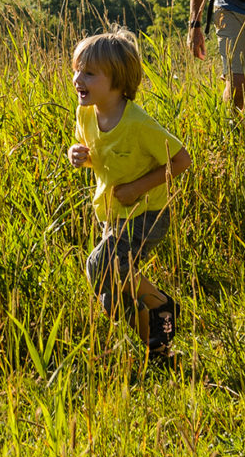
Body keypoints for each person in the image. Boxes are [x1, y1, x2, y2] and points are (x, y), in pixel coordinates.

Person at [66, 26, 192, 364]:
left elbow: (181, 160)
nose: (78, 78)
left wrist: (138, 187)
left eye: (89, 73)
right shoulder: (86, 113)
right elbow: (91, 149)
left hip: (146, 213)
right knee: (111, 295)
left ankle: (160, 302)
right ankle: (158, 348)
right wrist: (77, 154)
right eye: (77, 69)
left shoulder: (138, 122)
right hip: (111, 212)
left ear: (119, 81)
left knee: (102, 264)